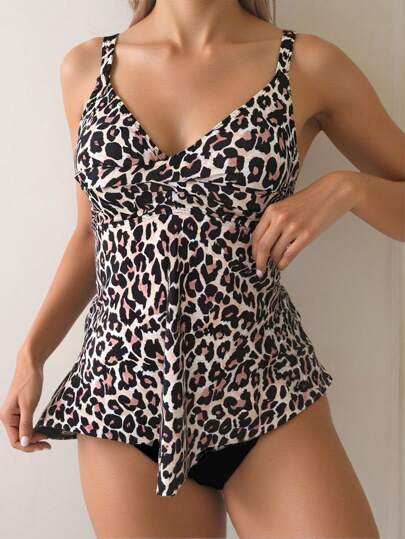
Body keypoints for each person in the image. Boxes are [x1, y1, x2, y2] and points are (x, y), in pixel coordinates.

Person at [2, 0, 404, 537]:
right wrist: (32, 353)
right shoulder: (86, 68)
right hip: (121, 395)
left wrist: (346, 188)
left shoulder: (308, 65)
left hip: (265, 387)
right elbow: (92, 235)